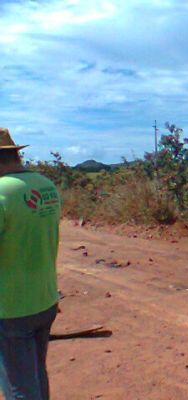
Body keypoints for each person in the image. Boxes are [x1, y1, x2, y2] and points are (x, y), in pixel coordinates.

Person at [0, 128, 61, 400]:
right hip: (45, 299)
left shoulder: (2, 193)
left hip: (11, 307)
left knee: (19, 389)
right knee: (36, 374)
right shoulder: (46, 185)